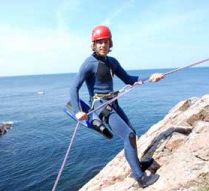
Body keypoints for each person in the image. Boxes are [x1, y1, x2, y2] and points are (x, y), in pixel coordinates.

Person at [69, 25, 164, 188]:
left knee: (132, 134)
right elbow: (73, 88)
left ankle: (137, 166)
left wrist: (151, 77)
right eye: (99, 42)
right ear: (94, 44)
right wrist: (78, 112)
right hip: (101, 106)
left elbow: (129, 79)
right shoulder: (89, 64)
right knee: (128, 135)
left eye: (106, 42)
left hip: (113, 102)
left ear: (110, 43)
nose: (103, 45)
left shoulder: (112, 62)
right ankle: (141, 178)